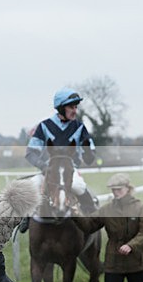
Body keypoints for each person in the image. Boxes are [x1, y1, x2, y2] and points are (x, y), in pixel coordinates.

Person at [24, 87, 97, 215]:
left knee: (78, 186)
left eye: (76, 107)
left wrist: (88, 151)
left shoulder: (79, 127)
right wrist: (43, 166)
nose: (75, 111)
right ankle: (25, 219)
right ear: (61, 108)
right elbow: (30, 153)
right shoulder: (45, 126)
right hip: (49, 170)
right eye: (71, 107)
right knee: (32, 185)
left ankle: (91, 214)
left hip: (69, 171)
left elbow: (89, 158)